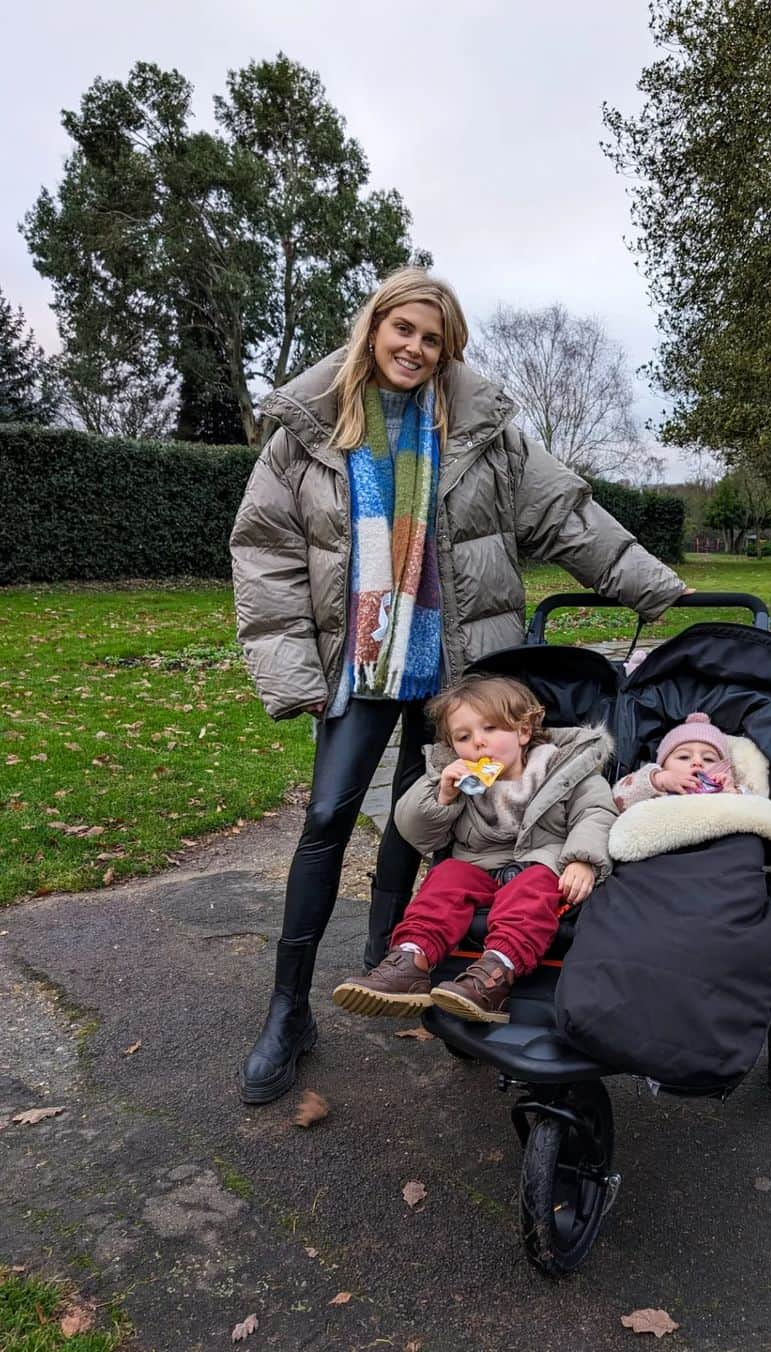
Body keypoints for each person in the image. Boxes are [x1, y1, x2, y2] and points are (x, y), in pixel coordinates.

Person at [229, 267, 685, 1103]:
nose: (415, 348)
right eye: (402, 329)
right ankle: (287, 1010)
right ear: (373, 329)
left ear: (449, 352)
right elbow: (265, 550)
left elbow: (568, 517)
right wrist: (292, 666)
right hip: (363, 661)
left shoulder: (485, 432)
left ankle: (397, 961)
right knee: (329, 815)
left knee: (427, 812)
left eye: (432, 339)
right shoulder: (307, 429)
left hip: (460, 668)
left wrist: (659, 588)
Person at [332, 674, 615, 1024]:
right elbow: (413, 829)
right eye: (463, 737)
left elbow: (595, 812)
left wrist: (582, 860)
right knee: (446, 876)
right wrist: (442, 795)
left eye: (491, 729)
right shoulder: (455, 777)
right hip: (479, 863)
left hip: (544, 863)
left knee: (532, 887)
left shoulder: (563, 768)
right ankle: (410, 960)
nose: (478, 743)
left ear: (523, 732)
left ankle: (495, 973)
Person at [612, 712, 738, 810]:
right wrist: (657, 780)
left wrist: (732, 793)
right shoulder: (658, 788)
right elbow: (618, 799)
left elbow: (749, 812)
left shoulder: (725, 790)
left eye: (708, 759)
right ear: (663, 766)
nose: (698, 762)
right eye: (684, 757)